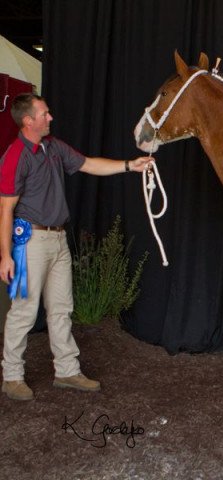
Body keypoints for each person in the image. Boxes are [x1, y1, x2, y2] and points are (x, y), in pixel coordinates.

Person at [0, 93, 152, 401]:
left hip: (57, 240)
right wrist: (5, 255)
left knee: (61, 310)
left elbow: (88, 164)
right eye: (44, 113)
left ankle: (67, 371)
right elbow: (5, 209)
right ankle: (11, 376)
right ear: (28, 121)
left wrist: (129, 165)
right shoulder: (15, 156)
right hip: (29, 241)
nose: (50, 117)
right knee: (24, 312)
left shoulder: (53, 147)